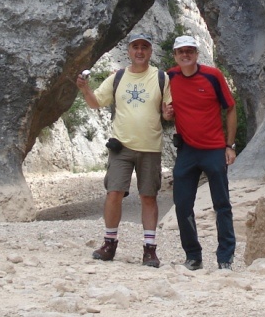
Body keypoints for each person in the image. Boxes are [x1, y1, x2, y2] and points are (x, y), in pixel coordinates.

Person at [75, 33, 172, 268]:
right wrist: (84, 88)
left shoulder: (161, 78)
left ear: (150, 52)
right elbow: (96, 102)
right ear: (129, 51)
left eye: (144, 48)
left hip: (150, 147)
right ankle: (109, 243)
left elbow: (168, 109)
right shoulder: (117, 77)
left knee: (148, 196)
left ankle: (150, 250)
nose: (140, 52)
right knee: (114, 193)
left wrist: (168, 114)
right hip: (122, 146)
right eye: (135, 47)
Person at [163, 35, 238, 270]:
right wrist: (166, 115)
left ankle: (225, 258)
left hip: (214, 149)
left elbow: (231, 108)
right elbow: (163, 108)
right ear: (175, 55)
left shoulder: (212, 76)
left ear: (197, 53)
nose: (185, 55)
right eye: (181, 51)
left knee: (222, 204)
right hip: (187, 151)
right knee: (182, 204)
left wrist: (230, 145)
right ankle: (193, 256)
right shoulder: (170, 77)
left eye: (190, 51)